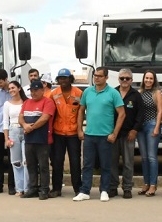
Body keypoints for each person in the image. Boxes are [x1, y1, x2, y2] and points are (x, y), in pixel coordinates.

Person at [73, 67, 125, 202]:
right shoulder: (87, 92)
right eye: (95, 75)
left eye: (100, 76)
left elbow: (122, 114)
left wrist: (114, 133)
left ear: (106, 77)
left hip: (105, 136)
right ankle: (85, 191)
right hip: (89, 135)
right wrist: (80, 130)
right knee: (87, 165)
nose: (96, 78)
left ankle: (104, 190)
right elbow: (81, 111)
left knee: (106, 165)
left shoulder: (113, 93)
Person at [50, 68, 83, 198]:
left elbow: (82, 113)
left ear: (70, 79)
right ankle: (56, 189)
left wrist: (80, 130)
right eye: (60, 78)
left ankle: (78, 189)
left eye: (65, 78)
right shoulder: (53, 94)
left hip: (73, 133)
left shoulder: (79, 93)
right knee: (57, 162)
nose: (63, 80)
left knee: (75, 162)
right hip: (58, 133)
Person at [20, 80, 55, 200]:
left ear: (42, 90)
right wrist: (25, 125)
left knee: (43, 166)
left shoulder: (48, 102)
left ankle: (44, 189)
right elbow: (20, 117)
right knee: (31, 165)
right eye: (32, 90)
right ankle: (33, 188)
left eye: (36, 90)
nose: (33, 93)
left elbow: (45, 118)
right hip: (29, 140)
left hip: (43, 140)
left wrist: (31, 127)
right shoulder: (26, 102)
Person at [111, 69, 143, 199]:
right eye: (122, 78)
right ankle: (112, 187)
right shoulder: (112, 92)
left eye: (127, 78)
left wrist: (135, 130)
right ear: (118, 79)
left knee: (128, 163)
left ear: (132, 80)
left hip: (128, 134)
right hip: (113, 134)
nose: (125, 80)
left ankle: (127, 188)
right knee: (112, 162)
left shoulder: (136, 95)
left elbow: (140, 115)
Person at [136, 70, 162, 197]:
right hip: (140, 127)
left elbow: (160, 111)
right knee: (144, 157)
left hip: (152, 125)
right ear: (143, 79)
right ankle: (146, 183)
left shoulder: (157, 93)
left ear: (154, 80)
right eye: (146, 78)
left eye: (151, 78)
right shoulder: (139, 92)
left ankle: (153, 185)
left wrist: (157, 127)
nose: (148, 80)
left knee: (152, 157)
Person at [3, 81, 28, 196]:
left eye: (13, 88)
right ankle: (19, 189)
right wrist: (6, 139)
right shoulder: (7, 104)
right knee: (16, 162)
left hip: (26, 132)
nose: (11, 90)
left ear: (19, 88)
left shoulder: (27, 102)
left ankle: (27, 188)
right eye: (9, 89)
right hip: (13, 132)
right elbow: (5, 122)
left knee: (26, 161)